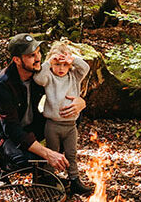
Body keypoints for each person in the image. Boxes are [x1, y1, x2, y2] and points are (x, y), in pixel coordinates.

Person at [0, 34, 87, 179]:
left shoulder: (37, 74)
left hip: (28, 125)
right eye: (31, 55)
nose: (38, 58)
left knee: (69, 117)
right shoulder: (3, 83)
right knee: (26, 162)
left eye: (38, 52)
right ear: (17, 60)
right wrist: (48, 153)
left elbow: (65, 89)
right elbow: (11, 129)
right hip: (0, 134)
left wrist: (81, 102)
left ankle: (43, 169)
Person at [33, 40, 94, 196]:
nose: (61, 68)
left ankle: (74, 180)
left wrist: (72, 59)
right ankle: (49, 179)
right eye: (57, 64)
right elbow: (38, 79)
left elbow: (85, 68)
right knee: (52, 153)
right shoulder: (49, 77)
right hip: (53, 125)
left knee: (71, 154)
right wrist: (48, 62)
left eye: (65, 65)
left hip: (71, 125)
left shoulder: (74, 76)